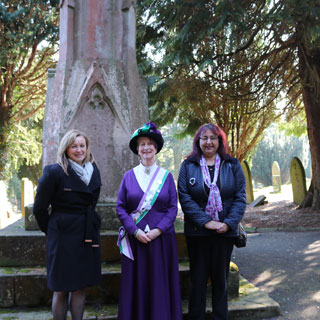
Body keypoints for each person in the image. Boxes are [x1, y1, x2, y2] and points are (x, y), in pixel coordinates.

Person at [178, 123, 246, 320]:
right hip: (198, 233)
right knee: (197, 281)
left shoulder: (232, 165)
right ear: (198, 142)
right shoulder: (188, 166)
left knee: (220, 282)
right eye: (204, 138)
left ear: (219, 141)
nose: (208, 142)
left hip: (224, 233)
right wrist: (207, 222)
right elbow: (184, 197)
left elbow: (240, 197)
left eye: (213, 138)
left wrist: (228, 223)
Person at [33, 129, 102, 320]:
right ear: (66, 148)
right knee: (61, 288)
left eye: (82, 145)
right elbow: (39, 209)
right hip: (62, 237)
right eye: (74, 146)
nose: (79, 150)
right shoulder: (54, 172)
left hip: (86, 234)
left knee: (80, 286)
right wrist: (53, 230)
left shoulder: (93, 169)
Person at [116, 122, 182, 320]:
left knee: (160, 283)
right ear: (137, 149)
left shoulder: (166, 177)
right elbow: (120, 207)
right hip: (136, 241)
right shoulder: (128, 177)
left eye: (150, 144)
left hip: (161, 241)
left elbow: (172, 208)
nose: (146, 147)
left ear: (156, 148)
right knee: (137, 284)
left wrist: (158, 230)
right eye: (142, 144)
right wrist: (135, 231)